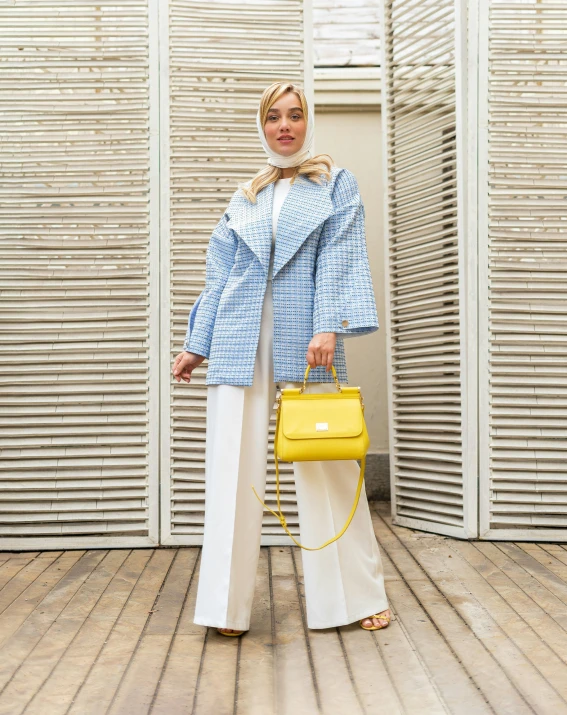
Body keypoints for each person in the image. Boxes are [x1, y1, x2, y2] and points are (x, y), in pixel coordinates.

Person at [172, 81, 391, 636]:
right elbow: (220, 274)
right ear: (262, 124)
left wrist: (328, 326)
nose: (285, 125)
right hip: (237, 336)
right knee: (232, 471)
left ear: (308, 122)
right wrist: (197, 343)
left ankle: (354, 598)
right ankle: (225, 609)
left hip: (307, 337)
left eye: (295, 115)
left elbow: (341, 252)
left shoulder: (335, 183)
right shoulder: (246, 194)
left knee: (327, 464)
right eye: (274, 117)